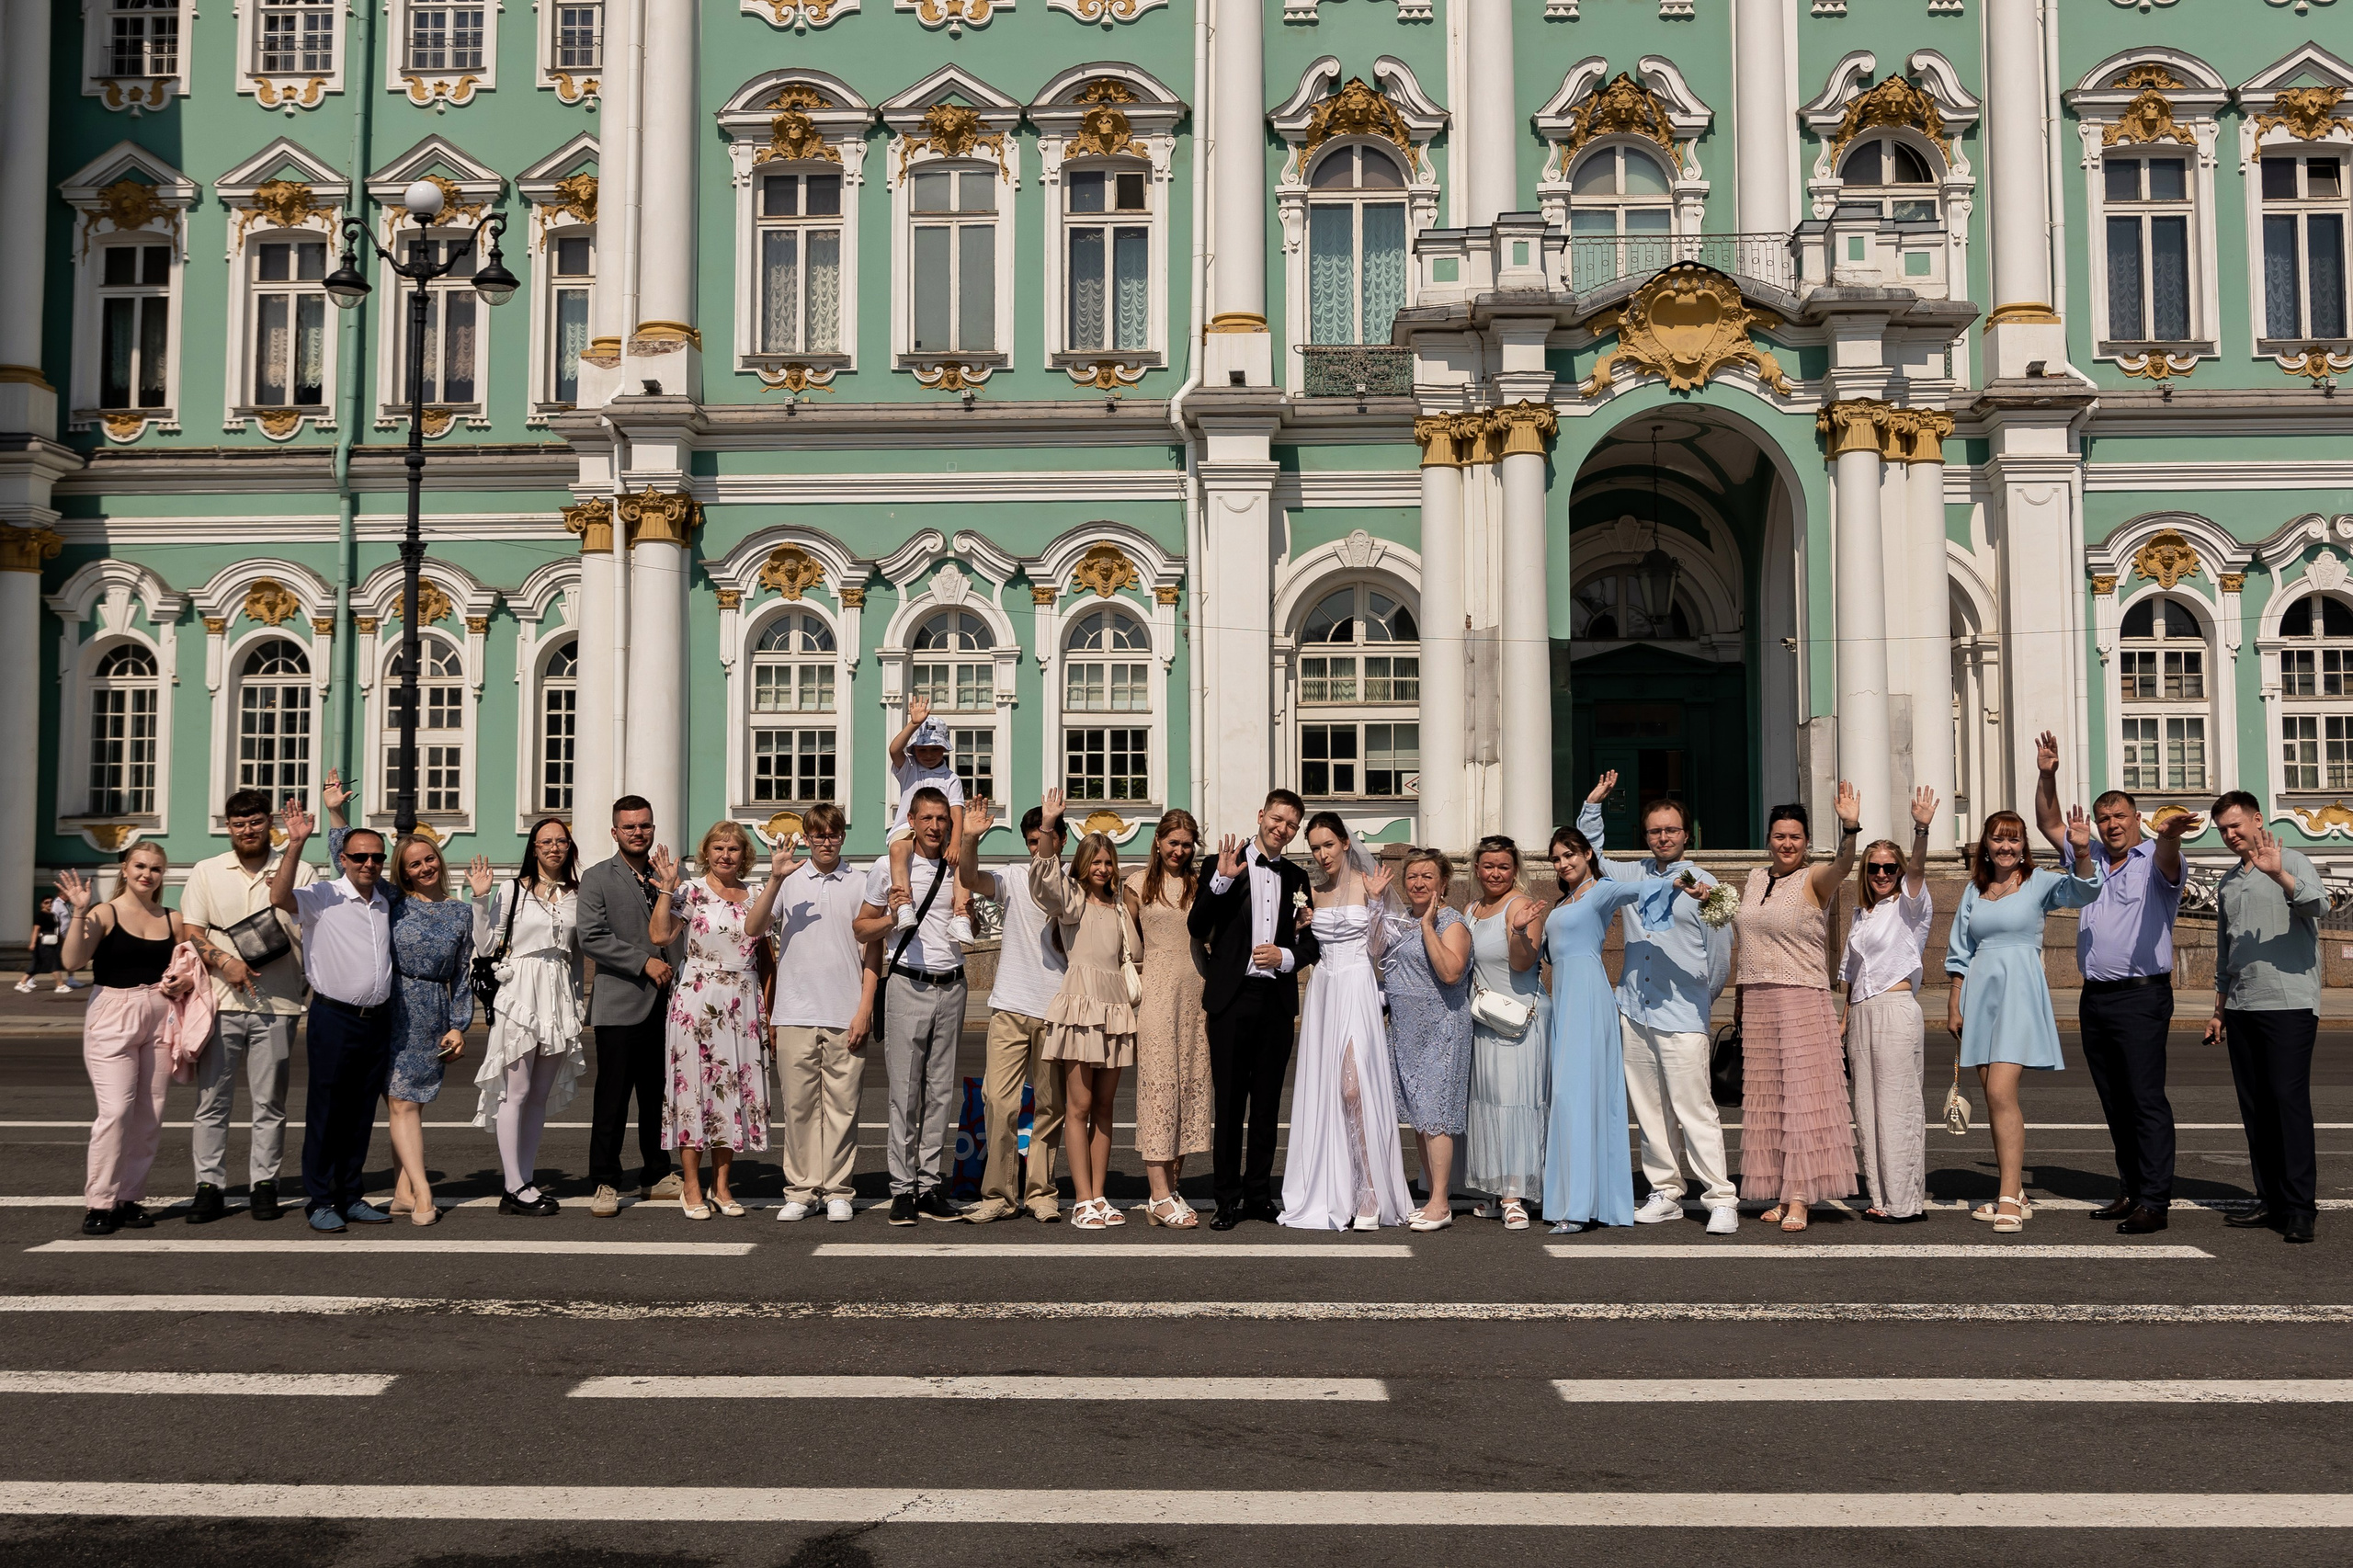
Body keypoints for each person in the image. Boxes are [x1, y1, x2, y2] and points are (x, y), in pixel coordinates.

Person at [2032, 733, 2195, 1234]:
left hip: (2143, 995)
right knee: (2114, 1099)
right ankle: (2129, 1188)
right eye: (2104, 819)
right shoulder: (2090, 856)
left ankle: (2155, 1200)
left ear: (2136, 819)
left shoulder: (2156, 859)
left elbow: (2170, 856)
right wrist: (2047, 774)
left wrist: (2168, 835)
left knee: (2145, 1098)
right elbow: (2047, 821)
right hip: (2096, 997)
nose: (2111, 825)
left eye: (2120, 817)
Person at [1576, 778, 1738, 1235]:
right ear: (1645, 835)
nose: (1662, 837)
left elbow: (1721, 955)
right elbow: (1593, 859)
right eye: (1653, 831)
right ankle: (1666, 1190)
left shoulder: (1705, 885)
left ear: (1687, 834)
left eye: (1670, 830)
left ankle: (1720, 1196)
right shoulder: (1634, 874)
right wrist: (1592, 807)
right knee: (1649, 1109)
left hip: (1684, 1014)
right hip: (1634, 1009)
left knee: (1694, 1108)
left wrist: (1701, 1004)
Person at [1945, 805, 2101, 1234]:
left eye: (2014, 838)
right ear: (1986, 845)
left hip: (2018, 992)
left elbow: (2086, 891)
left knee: (2000, 1092)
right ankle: (2015, 1190)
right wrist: (1955, 1002)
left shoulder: (2039, 882)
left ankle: (2010, 1197)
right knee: (1993, 1098)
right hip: (1980, 993)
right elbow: (1961, 949)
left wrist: (2082, 851)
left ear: (2023, 845)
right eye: (1998, 838)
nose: (2006, 845)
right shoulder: (1973, 891)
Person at [1541, 825, 1692, 1233]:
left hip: (1589, 999)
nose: (1563, 863)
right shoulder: (1564, 900)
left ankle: (1578, 1208)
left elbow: (1643, 889)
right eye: (1556, 858)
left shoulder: (1603, 889)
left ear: (1588, 854)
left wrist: (1682, 882)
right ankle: (1579, 1200)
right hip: (1566, 1002)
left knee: (1578, 1097)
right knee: (1568, 1098)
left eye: (1570, 854)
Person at [176, 786, 315, 1223]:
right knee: (212, 1101)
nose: (248, 830)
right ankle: (208, 1186)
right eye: (239, 824)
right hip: (220, 1002)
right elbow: (192, 931)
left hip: (279, 1003)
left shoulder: (300, 870)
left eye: (256, 822)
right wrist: (224, 961)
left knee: (269, 1103)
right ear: (228, 828)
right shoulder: (206, 870)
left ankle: (264, 1184)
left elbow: (312, 925)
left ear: (269, 823)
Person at [1189, 790, 1322, 1230]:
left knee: (1266, 1104)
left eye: (1291, 824)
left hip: (1276, 1002)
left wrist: (1285, 956)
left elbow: (1310, 943)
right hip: (1231, 998)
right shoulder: (1221, 863)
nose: (1281, 829)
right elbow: (1197, 925)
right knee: (1229, 1103)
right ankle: (1225, 1198)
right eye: (1277, 819)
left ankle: (1259, 1195)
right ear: (1261, 814)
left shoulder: (1299, 877)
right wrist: (1222, 881)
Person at [1733, 789, 1862, 1234]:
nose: (1787, 844)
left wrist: (1849, 829)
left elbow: (1845, 866)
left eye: (1795, 837)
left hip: (1801, 998)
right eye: (1779, 836)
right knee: (1770, 1100)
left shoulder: (1815, 879)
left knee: (1803, 1100)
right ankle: (1783, 1189)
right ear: (1768, 839)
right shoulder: (1752, 878)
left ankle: (1803, 1196)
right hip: (1759, 1001)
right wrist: (1739, 998)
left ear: (1806, 842)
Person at [1279, 813, 1412, 1232]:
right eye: (1315, 847)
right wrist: (1303, 927)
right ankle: (1336, 1189)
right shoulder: (1312, 893)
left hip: (1357, 984)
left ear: (1345, 843)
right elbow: (1306, 948)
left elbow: (1377, 950)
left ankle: (1370, 1189)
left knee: (1353, 1087)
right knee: (1327, 1091)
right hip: (1324, 990)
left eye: (1328, 845)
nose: (1322, 855)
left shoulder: (1369, 884)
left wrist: (1374, 903)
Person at [270, 799, 397, 1233]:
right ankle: (321, 1199)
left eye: (377, 857)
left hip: (376, 1020)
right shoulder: (324, 895)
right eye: (359, 856)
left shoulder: (385, 901)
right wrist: (295, 844)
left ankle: (350, 1193)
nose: (368, 863)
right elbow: (279, 896)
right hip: (334, 1018)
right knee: (327, 1111)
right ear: (342, 859)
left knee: (361, 1113)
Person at [2206, 790, 2327, 1245]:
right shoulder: (2228, 883)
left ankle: (2300, 1208)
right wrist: (2218, 1009)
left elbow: (2321, 906)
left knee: (2287, 1102)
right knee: (2255, 1107)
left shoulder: (2292, 858)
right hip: (2241, 1007)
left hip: (2289, 1003)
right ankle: (2270, 1198)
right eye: (2223, 830)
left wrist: (2279, 874)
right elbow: (2226, 951)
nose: (2230, 835)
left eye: (2236, 825)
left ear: (2258, 820)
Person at [59, 846, 200, 1236]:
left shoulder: (172, 918)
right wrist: (79, 911)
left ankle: (129, 1198)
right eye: (140, 866)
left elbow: (189, 969)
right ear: (126, 868)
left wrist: (183, 981)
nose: (147, 874)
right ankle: (100, 1203)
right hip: (112, 1012)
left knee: (150, 1112)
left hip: (159, 1012)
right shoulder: (105, 912)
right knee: (116, 1112)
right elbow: (72, 961)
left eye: (156, 869)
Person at [650, 822, 786, 1220]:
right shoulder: (690, 891)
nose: (725, 855)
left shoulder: (756, 896)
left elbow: (758, 940)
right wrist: (665, 889)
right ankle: (691, 1186)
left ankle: (721, 1184)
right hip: (696, 998)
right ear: (705, 852)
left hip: (742, 1002)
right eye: (718, 848)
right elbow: (659, 936)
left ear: (745, 856)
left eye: (733, 849)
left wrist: (770, 1010)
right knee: (692, 1090)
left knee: (732, 1091)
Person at [1029, 789, 1142, 1233]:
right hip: (1081, 1005)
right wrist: (1049, 827)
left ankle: (1101, 1195)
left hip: (1115, 1007)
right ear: (1081, 864)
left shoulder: (1119, 905)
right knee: (1078, 1106)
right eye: (1094, 861)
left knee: (1106, 1106)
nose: (1102, 868)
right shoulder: (1072, 900)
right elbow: (1043, 882)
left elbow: (1133, 953)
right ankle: (1082, 1198)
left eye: (1108, 861)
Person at [853, 786, 968, 1224]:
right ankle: (902, 1189)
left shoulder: (957, 867)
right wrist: (892, 916)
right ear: (913, 822)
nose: (936, 826)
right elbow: (861, 928)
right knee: (904, 1093)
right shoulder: (889, 865)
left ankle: (930, 1184)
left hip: (953, 984)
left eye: (943, 819)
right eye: (928, 819)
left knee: (940, 1093)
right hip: (907, 985)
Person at [954, 798, 1070, 1224]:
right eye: (1028, 841)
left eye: (1041, 840)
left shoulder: (1073, 881)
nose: (1033, 848)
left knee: (1049, 1106)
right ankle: (1000, 1194)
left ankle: (1041, 1192)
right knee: (998, 1103)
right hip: (1009, 1005)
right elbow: (968, 876)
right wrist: (969, 838)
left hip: (1057, 1009)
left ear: (1058, 839)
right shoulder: (1014, 876)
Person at [471, 817, 587, 1216]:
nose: (554, 848)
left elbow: (575, 954)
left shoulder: (577, 892)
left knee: (538, 1095)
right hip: (521, 989)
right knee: (516, 1092)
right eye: (545, 842)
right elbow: (487, 946)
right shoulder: (512, 890)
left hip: (557, 994)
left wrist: (577, 1001)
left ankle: (526, 1179)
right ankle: (513, 1185)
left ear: (569, 847)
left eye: (561, 841)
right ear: (533, 848)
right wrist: (479, 901)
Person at [769, 802, 879, 1223]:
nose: (826, 840)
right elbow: (755, 928)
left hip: (845, 1008)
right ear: (807, 837)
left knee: (842, 1106)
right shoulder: (789, 879)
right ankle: (800, 1189)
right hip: (795, 1009)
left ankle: (837, 1189)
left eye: (833, 833)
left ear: (842, 836)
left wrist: (865, 1008)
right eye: (818, 834)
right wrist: (775, 879)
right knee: (798, 1106)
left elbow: (873, 952)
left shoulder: (862, 882)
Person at [578, 796, 687, 1217]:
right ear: (615, 832)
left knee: (659, 1096)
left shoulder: (672, 874)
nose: (638, 833)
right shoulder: (597, 877)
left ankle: (656, 1174)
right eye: (629, 827)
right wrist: (643, 961)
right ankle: (605, 1180)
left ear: (653, 828)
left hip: (669, 1002)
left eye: (644, 826)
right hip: (620, 1003)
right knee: (612, 1099)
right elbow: (591, 936)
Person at [1839, 789, 1941, 1223]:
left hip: (1896, 1009)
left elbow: (1917, 869)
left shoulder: (1909, 906)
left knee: (1898, 1108)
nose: (1883, 873)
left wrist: (1921, 830)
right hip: (1861, 1012)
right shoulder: (1863, 913)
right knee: (1867, 1109)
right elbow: (1851, 976)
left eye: (1890, 867)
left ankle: (1905, 1203)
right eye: (1875, 867)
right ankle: (1881, 1197)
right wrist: (1842, 1022)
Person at [1127, 810, 1213, 1228]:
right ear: (1158, 841)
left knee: (1186, 1086)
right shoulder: (1134, 884)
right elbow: (1128, 942)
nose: (1179, 850)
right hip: (1158, 992)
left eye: (1186, 843)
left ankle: (1169, 1189)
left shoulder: (1201, 884)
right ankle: (1158, 1194)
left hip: (1197, 991)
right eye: (1172, 842)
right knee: (1159, 1087)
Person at [1381, 848, 1472, 1232]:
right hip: (1404, 1028)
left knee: (1436, 1115)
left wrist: (1428, 927)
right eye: (1412, 877)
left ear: (1444, 883)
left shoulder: (1452, 922)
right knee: (1420, 1116)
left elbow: (1451, 972)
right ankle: (1431, 1192)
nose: (1418, 883)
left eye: (1427, 877)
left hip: (1442, 1026)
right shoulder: (1399, 920)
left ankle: (1441, 1202)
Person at [1463, 835, 1550, 1232]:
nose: (1495, 873)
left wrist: (1517, 930)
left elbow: (1522, 963)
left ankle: (1517, 1192)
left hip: (1520, 1019)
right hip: (1486, 1017)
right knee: (1491, 1102)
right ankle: (1499, 1188)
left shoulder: (1523, 906)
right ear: (1477, 869)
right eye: (1488, 865)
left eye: (1503, 866)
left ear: (1515, 869)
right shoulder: (1472, 909)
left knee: (1518, 1102)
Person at [885, 696, 973, 946]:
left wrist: (955, 843)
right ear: (913, 750)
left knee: (961, 862)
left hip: (941, 832)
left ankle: (961, 917)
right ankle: (904, 905)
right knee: (898, 850)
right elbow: (894, 750)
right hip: (907, 828)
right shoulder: (909, 768)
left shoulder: (951, 778)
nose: (929, 754)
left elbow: (957, 812)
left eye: (935, 749)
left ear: (944, 749)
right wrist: (913, 724)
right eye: (922, 749)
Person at [17, 896, 61, 992]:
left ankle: (22, 982)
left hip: (52, 942)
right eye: (46, 902)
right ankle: (60, 985)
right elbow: (36, 929)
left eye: (50, 902)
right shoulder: (40, 915)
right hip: (42, 943)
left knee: (38, 964)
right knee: (51, 963)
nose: (49, 904)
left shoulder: (53, 915)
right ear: (42, 904)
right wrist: (32, 943)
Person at [51, 890, 89, 991]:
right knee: (53, 959)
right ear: (60, 894)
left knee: (69, 956)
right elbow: (54, 919)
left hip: (67, 936)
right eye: (66, 894)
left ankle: (71, 979)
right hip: (60, 937)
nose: (68, 896)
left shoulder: (65, 905)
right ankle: (29, 978)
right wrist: (59, 936)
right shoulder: (57, 904)